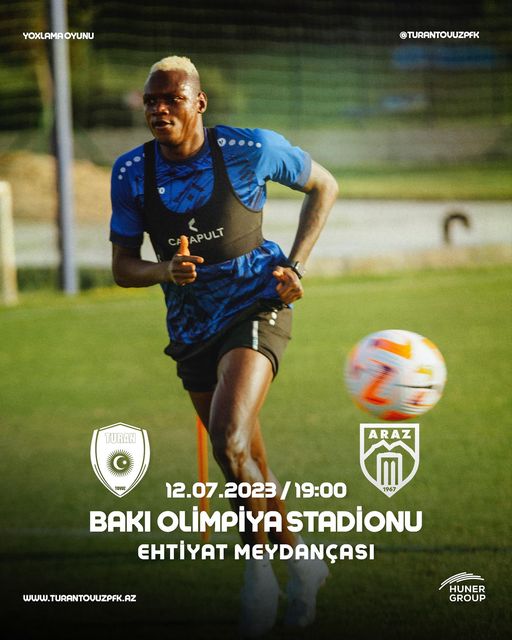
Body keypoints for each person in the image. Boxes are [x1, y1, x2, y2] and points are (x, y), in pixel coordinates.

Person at [110, 55, 338, 637]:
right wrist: (165, 271)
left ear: (199, 102)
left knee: (230, 438)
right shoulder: (131, 172)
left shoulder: (249, 148)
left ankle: (258, 581)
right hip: (190, 326)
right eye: (151, 101)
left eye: (172, 99)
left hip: (256, 303)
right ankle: (303, 567)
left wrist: (296, 266)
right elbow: (122, 267)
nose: (160, 109)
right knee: (245, 461)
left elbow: (325, 185)